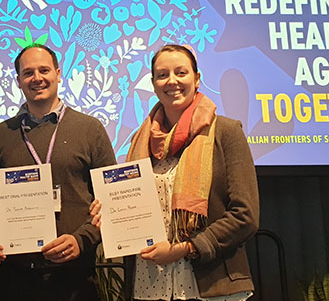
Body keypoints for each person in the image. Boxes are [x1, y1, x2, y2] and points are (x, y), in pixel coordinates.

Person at [90, 44, 259, 300]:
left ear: (197, 78)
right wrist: (109, 215)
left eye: (181, 72)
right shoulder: (140, 141)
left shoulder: (226, 132)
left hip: (212, 286)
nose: (172, 81)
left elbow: (245, 216)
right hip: (149, 285)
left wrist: (185, 248)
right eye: (162, 75)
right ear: (153, 83)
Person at [0, 44, 117, 301]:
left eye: (44, 70)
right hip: (16, 279)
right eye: (28, 73)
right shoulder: (2, 134)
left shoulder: (90, 129)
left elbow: (111, 200)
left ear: (58, 73)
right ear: (18, 81)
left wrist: (82, 240)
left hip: (75, 280)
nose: (37, 78)